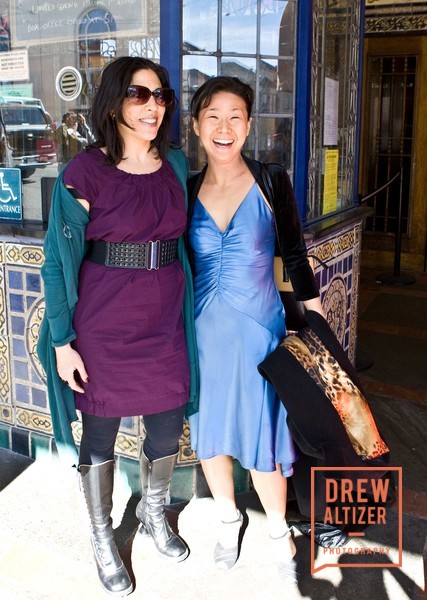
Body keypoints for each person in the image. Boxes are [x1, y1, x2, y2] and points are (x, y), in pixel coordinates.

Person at [37, 57, 198, 597]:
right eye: (139, 94)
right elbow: (57, 264)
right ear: (113, 101)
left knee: (165, 424)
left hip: (166, 323)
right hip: (103, 328)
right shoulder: (83, 172)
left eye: (161, 96)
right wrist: (62, 342)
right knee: (101, 433)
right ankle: (102, 534)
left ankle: (153, 514)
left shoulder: (175, 164)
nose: (153, 106)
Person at [187, 76, 324, 579]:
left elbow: (294, 253)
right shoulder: (185, 189)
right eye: (213, 117)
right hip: (202, 336)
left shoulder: (271, 181)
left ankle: (274, 527)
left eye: (235, 117)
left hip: (260, 336)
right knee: (212, 434)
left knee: (264, 439)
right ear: (197, 126)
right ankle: (227, 519)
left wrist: (317, 320)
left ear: (248, 125)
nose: (224, 127)